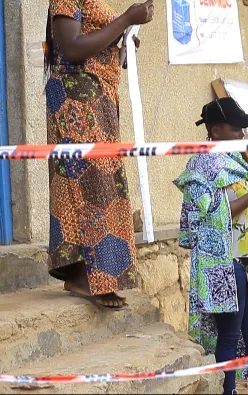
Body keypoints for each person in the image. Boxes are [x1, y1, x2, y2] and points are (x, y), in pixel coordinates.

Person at [174, 97, 248, 395]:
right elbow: (218, 210)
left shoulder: (237, 161)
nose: (242, 134)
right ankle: (227, 391)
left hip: (246, 263)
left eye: (243, 129)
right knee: (228, 336)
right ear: (216, 129)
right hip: (221, 265)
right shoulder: (202, 164)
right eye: (236, 128)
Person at [44, 0, 154, 310]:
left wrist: (125, 46)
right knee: (86, 189)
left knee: (105, 188)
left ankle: (98, 277)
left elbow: (98, 52)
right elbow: (73, 49)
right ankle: (83, 277)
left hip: (100, 100)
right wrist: (125, 20)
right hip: (76, 101)